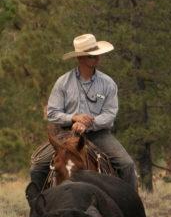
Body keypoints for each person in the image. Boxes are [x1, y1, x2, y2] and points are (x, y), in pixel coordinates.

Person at [28, 33, 138, 196]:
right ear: (80, 58)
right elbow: (52, 113)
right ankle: (37, 209)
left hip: (99, 134)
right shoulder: (63, 82)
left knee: (127, 164)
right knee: (37, 167)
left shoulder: (108, 83)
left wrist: (88, 123)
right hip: (66, 135)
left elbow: (110, 113)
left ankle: (132, 209)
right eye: (92, 55)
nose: (97, 58)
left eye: (97, 54)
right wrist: (73, 118)